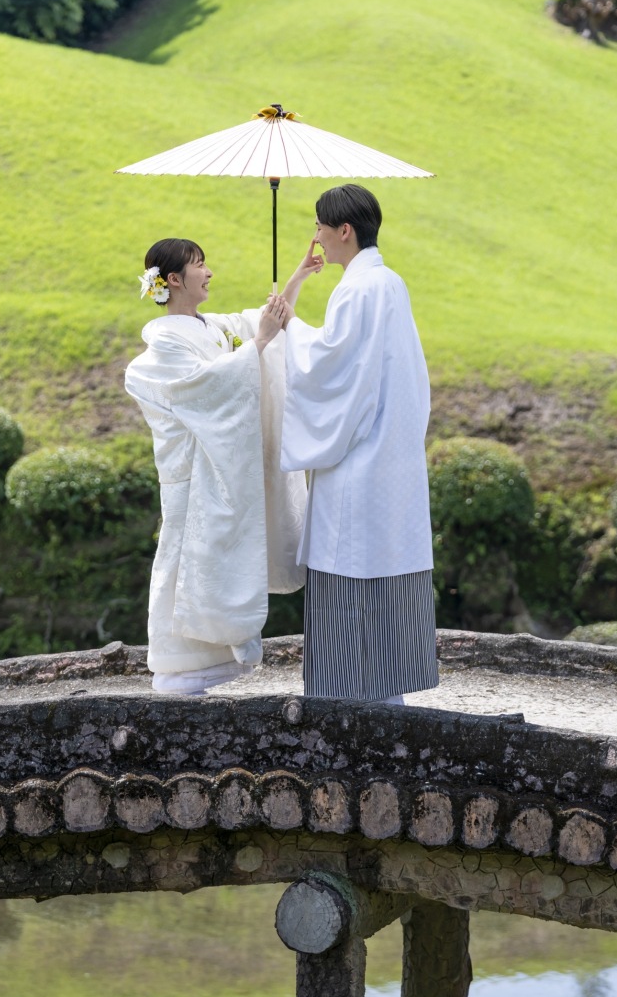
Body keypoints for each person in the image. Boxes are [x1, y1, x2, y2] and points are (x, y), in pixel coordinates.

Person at [125, 238, 306, 696]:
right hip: (192, 472)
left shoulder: (215, 327)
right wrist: (259, 342)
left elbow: (264, 321)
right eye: (199, 265)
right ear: (173, 280)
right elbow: (207, 385)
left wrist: (299, 275)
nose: (208, 273)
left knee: (216, 560)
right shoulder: (167, 341)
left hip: (216, 466)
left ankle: (216, 658)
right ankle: (177, 666)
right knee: (185, 559)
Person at [279, 184, 439, 705]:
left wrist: (290, 326)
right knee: (388, 572)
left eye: (320, 226)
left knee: (347, 573)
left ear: (343, 230)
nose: (317, 236)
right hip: (393, 455)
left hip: (358, 463)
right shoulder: (389, 282)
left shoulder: (356, 290)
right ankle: (390, 702)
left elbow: (328, 368)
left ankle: (346, 710)